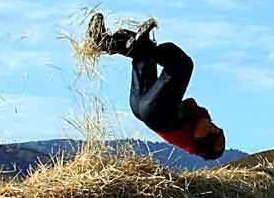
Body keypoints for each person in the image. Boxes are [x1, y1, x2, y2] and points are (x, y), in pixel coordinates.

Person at [87, 13, 226, 160]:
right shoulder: (196, 121)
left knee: (182, 65)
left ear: (198, 141)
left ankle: (142, 48)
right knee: (142, 51)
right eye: (219, 130)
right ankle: (102, 41)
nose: (214, 129)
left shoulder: (183, 132)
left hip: (155, 110)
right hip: (141, 104)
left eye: (211, 135)